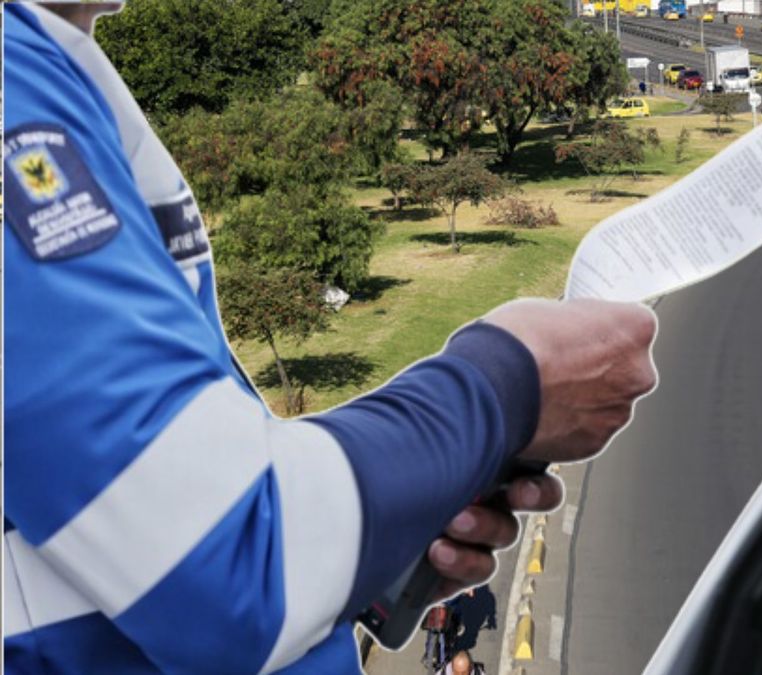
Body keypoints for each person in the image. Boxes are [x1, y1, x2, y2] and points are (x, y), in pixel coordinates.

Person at [3, 4, 657, 674]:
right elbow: (229, 562)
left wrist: (376, 518)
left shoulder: (52, 58)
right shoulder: (13, 80)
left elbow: (157, 483)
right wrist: (506, 383)